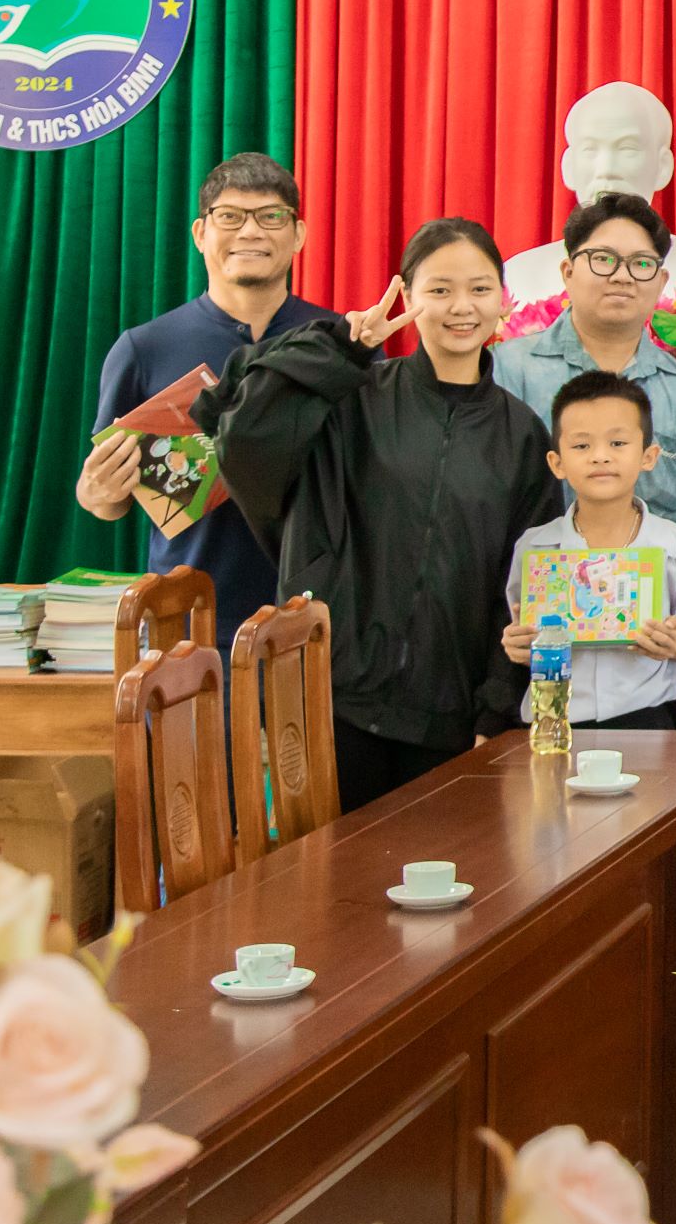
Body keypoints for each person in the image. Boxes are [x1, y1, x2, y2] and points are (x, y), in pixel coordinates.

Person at [198, 219, 564, 814]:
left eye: (479, 289)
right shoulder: (352, 396)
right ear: (407, 296)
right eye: (439, 290)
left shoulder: (522, 435)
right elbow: (243, 438)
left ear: (503, 300)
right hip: (331, 698)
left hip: (451, 716)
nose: (461, 307)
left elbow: (525, 584)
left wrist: (497, 707)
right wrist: (341, 347)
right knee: (330, 867)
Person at [79, 154, 338, 632]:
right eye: (230, 216)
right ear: (200, 233)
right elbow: (104, 499)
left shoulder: (339, 344)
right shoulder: (144, 348)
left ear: (298, 234)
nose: (251, 232)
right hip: (188, 626)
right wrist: (97, 491)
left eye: (271, 216)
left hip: (318, 623)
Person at [495, 193, 676, 551]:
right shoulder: (507, 372)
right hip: (525, 582)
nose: (622, 276)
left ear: (661, 281)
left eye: (641, 264)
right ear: (568, 272)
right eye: (603, 259)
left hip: (657, 587)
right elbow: (484, 501)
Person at [496, 371, 676, 730]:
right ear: (557, 463)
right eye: (582, 446)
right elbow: (523, 629)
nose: (600, 457)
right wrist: (518, 645)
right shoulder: (535, 547)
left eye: (617, 443)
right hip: (554, 717)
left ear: (648, 456)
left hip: (648, 715)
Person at [501, 81, 676, 323]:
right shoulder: (520, 274)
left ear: (663, 166)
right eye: (590, 149)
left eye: (628, 149)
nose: (607, 169)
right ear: (568, 166)